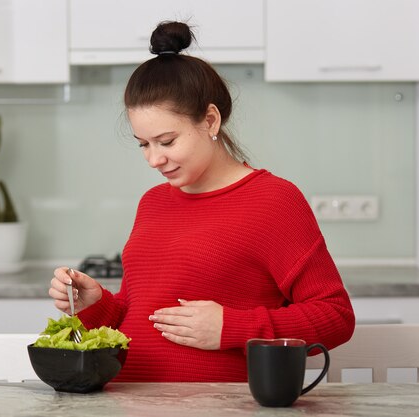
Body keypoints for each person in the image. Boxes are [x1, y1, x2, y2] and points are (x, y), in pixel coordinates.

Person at [49, 21, 355, 382]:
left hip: (221, 406)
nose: (154, 159)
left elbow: (336, 317)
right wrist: (96, 304)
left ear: (210, 120)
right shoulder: (153, 202)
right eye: (143, 144)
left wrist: (233, 327)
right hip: (125, 401)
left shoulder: (274, 201)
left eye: (166, 141)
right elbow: (137, 313)